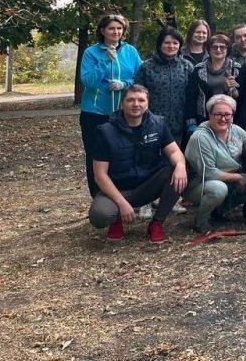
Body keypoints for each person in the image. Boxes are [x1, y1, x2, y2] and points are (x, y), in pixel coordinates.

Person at [87, 84, 187, 244]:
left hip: (147, 185)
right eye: (130, 100)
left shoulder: (158, 124)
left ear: (147, 103)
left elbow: (175, 152)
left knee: (177, 172)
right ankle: (116, 220)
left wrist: (181, 166)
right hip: (117, 189)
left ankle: (156, 224)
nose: (136, 104)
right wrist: (121, 203)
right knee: (100, 216)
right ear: (122, 103)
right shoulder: (105, 132)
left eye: (141, 100)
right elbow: (99, 175)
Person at [79, 12, 143, 195]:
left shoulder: (130, 51)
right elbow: (89, 81)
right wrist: (105, 60)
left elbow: (139, 77)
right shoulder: (91, 52)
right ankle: (98, 197)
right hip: (95, 113)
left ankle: (122, 194)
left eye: (119, 28)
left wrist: (125, 84)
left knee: (122, 154)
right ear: (102, 31)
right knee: (96, 155)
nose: (115, 32)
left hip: (123, 112)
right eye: (111, 28)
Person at [183, 94, 246, 233]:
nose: (223, 118)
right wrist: (239, 177)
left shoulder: (236, 131)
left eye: (227, 114)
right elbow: (209, 173)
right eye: (218, 114)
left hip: (229, 180)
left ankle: (219, 212)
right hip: (200, 184)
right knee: (219, 189)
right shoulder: (200, 137)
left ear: (232, 115)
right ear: (209, 114)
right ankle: (201, 221)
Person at [134, 27, 194, 147]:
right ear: (160, 44)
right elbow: (137, 93)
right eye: (167, 42)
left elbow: (193, 95)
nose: (171, 46)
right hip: (151, 123)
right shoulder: (146, 67)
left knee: (176, 160)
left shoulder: (187, 66)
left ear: (180, 45)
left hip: (179, 124)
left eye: (175, 43)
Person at [185, 33, 241, 135]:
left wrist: (228, 89)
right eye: (214, 47)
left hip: (229, 119)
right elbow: (190, 96)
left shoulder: (236, 69)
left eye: (222, 47)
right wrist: (191, 122)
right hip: (204, 119)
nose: (218, 50)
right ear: (209, 49)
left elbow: (242, 97)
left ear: (227, 49)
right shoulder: (198, 69)